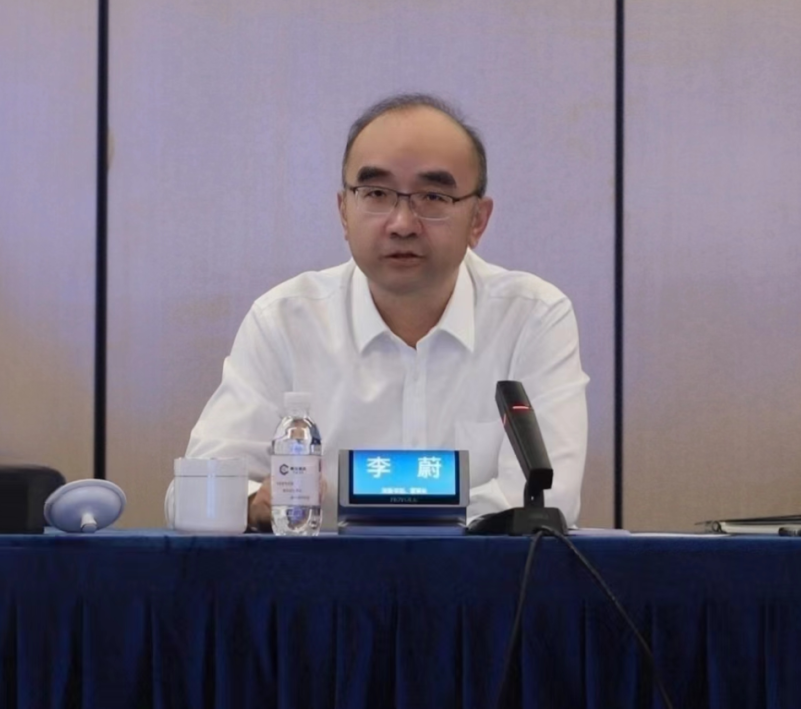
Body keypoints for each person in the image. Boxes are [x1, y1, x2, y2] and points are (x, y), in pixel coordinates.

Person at [170, 93, 589, 529]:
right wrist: (255, 503)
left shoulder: (532, 319)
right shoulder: (284, 321)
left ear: (478, 220)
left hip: (482, 575)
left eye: (433, 197)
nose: (402, 224)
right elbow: (193, 493)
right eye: (375, 193)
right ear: (344, 212)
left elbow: (548, 498)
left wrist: (378, 526)